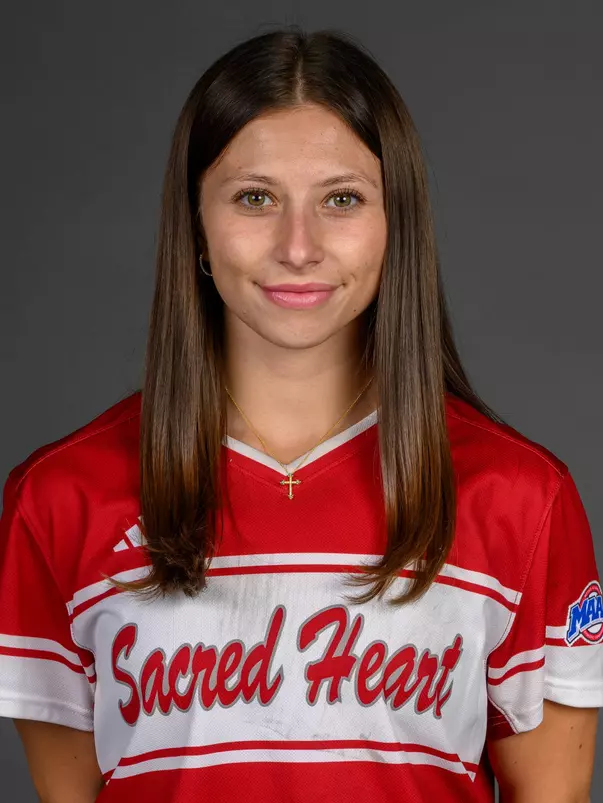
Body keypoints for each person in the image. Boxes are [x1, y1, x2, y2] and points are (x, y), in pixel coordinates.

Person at [0, 25, 601, 803]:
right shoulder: (60, 496)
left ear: (397, 224)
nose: (298, 246)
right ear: (196, 225)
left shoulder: (522, 496)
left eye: (341, 199)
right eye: (255, 198)